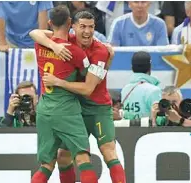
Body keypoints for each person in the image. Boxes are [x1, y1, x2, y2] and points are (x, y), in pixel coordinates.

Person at [30, 10, 126, 183]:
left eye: (91, 27)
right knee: (64, 157)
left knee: (108, 151)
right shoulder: (68, 41)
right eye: (82, 27)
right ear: (72, 26)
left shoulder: (101, 51)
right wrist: (54, 46)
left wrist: (59, 82)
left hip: (97, 108)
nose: (87, 31)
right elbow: (35, 33)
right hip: (75, 108)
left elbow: (89, 88)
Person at [31, 5, 98, 183]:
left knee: (47, 164)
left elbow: (35, 32)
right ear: (70, 22)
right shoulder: (75, 51)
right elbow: (87, 75)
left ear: (50, 23)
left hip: (44, 109)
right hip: (66, 109)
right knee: (83, 158)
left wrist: (52, 43)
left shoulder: (39, 45)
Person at [121, 51, 162, 120]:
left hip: (127, 130)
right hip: (149, 130)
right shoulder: (154, 90)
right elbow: (159, 120)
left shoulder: (125, 89)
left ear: (132, 68)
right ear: (150, 67)